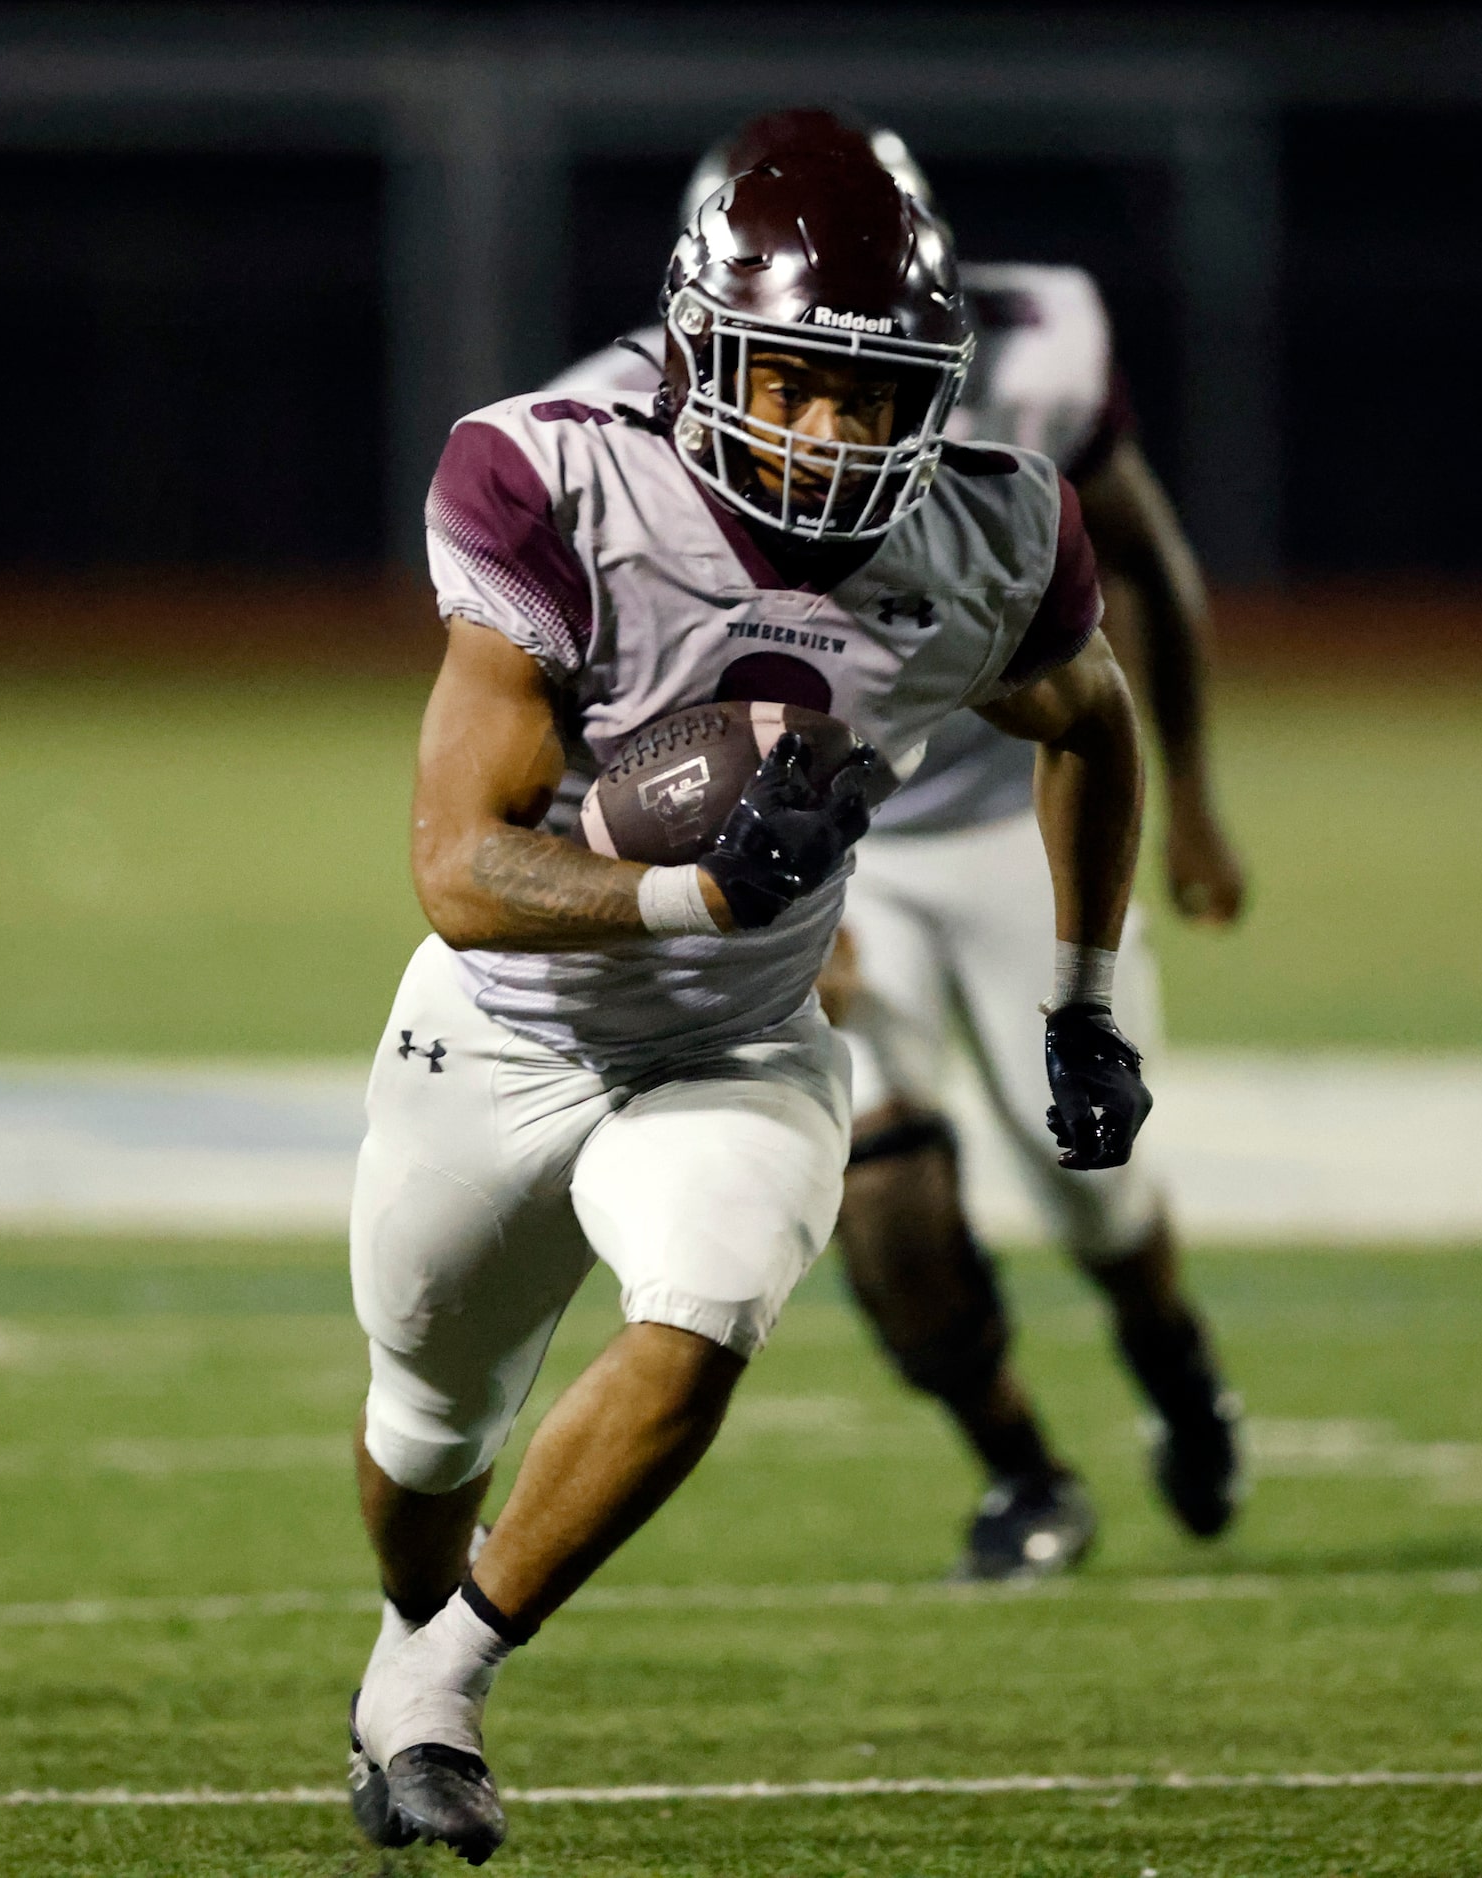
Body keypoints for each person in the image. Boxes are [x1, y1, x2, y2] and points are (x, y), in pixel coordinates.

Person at [343, 146, 1153, 1861]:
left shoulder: (993, 524)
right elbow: (456, 862)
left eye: (876, 395)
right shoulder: (549, 479)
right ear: (702, 355)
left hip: (738, 1043)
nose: (839, 438)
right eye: (797, 383)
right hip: (498, 1029)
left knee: (703, 1313)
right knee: (424, 1435)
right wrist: (693, 889)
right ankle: (408, 1638)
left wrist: (1083, 998)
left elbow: (1092, 719)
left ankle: (439, 1695)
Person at [547, 109, 1248, 1579]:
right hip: (805, 848)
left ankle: (1178, 1367)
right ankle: (1021, 1470)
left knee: (1096, 1187)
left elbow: (1137, 591)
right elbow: (547, 689)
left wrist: (1184, 794)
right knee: (883, 1177)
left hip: (1003, 813)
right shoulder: (595, 435)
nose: (826, 413)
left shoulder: (1037, 350)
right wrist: (702, 878)